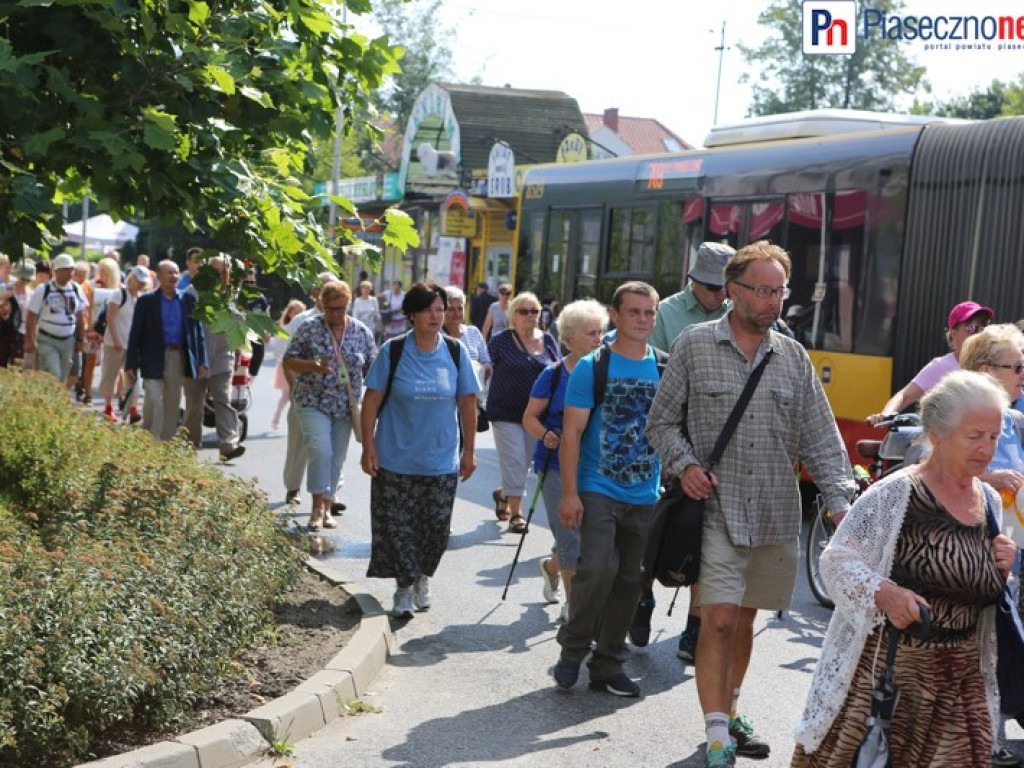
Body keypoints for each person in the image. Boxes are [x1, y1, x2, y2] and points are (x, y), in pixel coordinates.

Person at [646, 240, 857, 767]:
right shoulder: (694, 345)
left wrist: (840, 503)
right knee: (716, 619)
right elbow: (660, 423)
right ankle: (717, 732)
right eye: (760, 290)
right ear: (732, 292)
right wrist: (686, 465)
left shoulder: (792, 356)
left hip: (775, 513)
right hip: (715, 510)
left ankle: (732, 709)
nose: (770, 301)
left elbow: (821, 435)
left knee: (743, 622)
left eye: (778, 291)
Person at [792, 370, 1016, 766]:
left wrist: (1003, 568)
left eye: (994, 437)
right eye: (974, 436)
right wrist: (883, 592)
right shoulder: (896, 494)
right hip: (892, 684)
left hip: (960, 688)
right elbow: (837, 561)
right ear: (936, 434)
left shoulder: (989, 503)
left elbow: (980, 590)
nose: (987, 448)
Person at [551, 282, 662, 698]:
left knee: (630, 581)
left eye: (649, 313)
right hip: (598, 486)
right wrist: (569, 493)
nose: (642, 320)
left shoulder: (664, 368)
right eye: (633, 312)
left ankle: (608, 664)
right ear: (614, 316)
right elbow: (572, 434)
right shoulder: (592, 366)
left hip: (645, 492)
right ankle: (572, 649)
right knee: (598, 568)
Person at [631, 240, 735, 664]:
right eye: (709, 287)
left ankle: (695, 628)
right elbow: (648, 371)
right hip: (667, 434)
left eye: (722, 288)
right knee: (653, 530)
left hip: (718, 443)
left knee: (707, 539)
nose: (717, 296)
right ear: (692, 281)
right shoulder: (667, 314)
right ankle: (642, 597)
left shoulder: (737, 314)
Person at [359, 282, 480, 618]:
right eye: (428, 309)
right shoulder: (393, 351)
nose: (436, 315)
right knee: (399, 529)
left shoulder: (455, 352)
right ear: (412, 314)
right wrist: (368, 445)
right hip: (395, 458)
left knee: (436, 530)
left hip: (440, 460)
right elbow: (371, 401)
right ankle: (403, 587)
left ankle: (422, 576)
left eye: (440, 309)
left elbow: (468, 403)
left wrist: (469, 451)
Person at [959, 324, 1024, 768]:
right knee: (984, 647)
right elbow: (927, 472)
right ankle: (988, 738)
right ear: (986, 370)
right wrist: (987, 479)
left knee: (1010, 642)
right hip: (969, 553)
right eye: (1016, 366)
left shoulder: (1017, 421)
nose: (1023, 373)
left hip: (1015, 551)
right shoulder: (952, 414)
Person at [522, 299, 606, 623]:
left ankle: (550, 566)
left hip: (596, 469)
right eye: (591, 333)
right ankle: (574, 607)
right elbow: (529, 417)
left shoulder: (607, 372)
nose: (599, 339)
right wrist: (545, 435)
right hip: (555, 467)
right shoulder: (553, 375)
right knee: (571, 537)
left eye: (601, 332)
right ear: (569, 338)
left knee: (588, 539)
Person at [285, 280, 376, 530]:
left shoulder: (360, 331)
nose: (336, 314)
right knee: (320, 450)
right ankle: (315, 507)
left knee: (336, 458)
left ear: (348, 305)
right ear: (322, 305)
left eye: (341, 308)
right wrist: (311, 366)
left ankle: (327, 506)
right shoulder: (309, 328)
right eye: (330, 308)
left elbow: (374, 368)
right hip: (312, 400)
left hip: (344, 405)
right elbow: (289, 360)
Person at [486, 291, 561, 533]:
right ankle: (516, 514)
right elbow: (486, 370)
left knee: (525, 464)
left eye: (534, 311)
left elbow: (559, 371)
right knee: (516, 461)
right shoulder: (500, 341)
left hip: (536, 417)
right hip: (504, 412)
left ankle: (504, 494)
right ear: (513, 315)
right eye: (524, 311)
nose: (530, 316)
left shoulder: (548, 340)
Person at [867, 300, 994, 425]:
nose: (979, 334)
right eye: (971, 328)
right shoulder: (941, 366)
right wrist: (885, 415)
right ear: (954, 335)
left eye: (983, 328)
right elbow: (905, 395)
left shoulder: (995, 365)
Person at [125, 260, 207, 442]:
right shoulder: (146, 301)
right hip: (152, 356)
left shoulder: (188, 300)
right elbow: (135, 333)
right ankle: (149, 435)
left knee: (172, 400)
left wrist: (202, 361)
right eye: (169, 273)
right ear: (159, 276)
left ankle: (166, 441)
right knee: (154, 399)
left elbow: (198, 333)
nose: (174, 276)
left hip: (176, 356)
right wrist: (130, 363)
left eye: (176, 272)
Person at [281, 272, 338, 508]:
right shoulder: (301, 322)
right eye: (325, 289)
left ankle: (329, 494)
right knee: (298, 443)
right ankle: (293, 487)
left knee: (332, 446)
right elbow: (287, 359)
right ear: (314, 294)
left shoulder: (344, 321)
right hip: (304, 392)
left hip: (334, 396)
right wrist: (295, 389)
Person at [182, 255, 246, 461]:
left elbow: (238, 326)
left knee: (223, 399)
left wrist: (237, 353)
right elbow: (188, 328)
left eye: (226, 271)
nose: (223, 275)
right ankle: (190, 444)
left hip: (222, 356)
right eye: (219, 271)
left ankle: (228, 444)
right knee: (194, 403)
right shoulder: (193, 294)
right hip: (196, 358)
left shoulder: (231, 296)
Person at [650, 242, 733, 353]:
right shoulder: (663, 313)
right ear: (695, 280)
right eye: (713, 287)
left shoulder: (738, 311)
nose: (721, 295)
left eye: (726, 289)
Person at [24, 253, 89, 384]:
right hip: (47, 340)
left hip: (68, 341)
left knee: (62, 377)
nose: (69, 273)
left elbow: (80, 315)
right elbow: (31, 316)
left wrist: (81, 339)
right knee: (54, 373)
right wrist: (30, 339)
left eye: (71, 269)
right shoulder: (44, 289)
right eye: (65, 269)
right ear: (56, 272)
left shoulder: (76, 289)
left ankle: (51, 401)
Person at [98, 265, 149, 422]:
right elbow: (110, 317)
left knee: (134, 378)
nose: (141, 284)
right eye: (139, 281)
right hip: (114, 343)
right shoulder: (119, 294)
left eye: (143, 282)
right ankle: (108, 407)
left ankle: (133, 409)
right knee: (110, 375)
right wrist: (116, 339)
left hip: (132, 345)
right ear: (132, 278)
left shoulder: (142, 298)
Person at [442, 286, 491, 390]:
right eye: (451, 309)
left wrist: (479, 369)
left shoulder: (473, 332)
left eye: (460, 308)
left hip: (472, 394)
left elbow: (487, 362)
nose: (457, 314)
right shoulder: (436, 335)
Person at [270, 299, 307, 430]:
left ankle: (294, 421)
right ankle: (277, 416)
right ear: (290, 313)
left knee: (295, 395)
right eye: (296, 312)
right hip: (285, 365)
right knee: (287, 394)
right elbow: (276, 346)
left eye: (301, 313)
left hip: (299, 365)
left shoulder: (304, 328)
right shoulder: (284, 328)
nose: (298, 316)